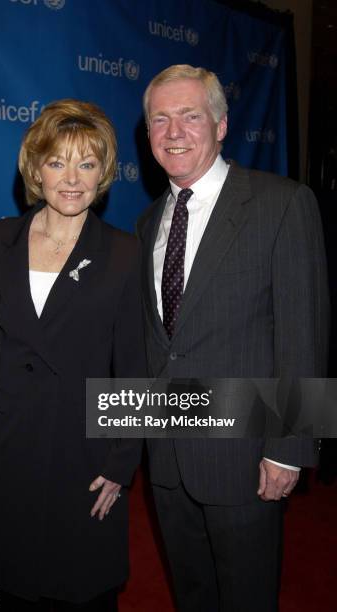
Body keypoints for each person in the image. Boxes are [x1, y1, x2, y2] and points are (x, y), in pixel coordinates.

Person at [137, 65, 329, 612]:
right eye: (160, 119)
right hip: (169, 455)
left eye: (190, 116)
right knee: (191, 594)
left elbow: (304, 331)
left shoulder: (281, 203)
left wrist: (289, 451)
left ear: (221, 125)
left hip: (245, 457)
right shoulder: (147, 223)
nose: (174, 131)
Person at [0, 99, 145, 611]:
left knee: (83, 589)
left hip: (83, 453)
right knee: (10, 585)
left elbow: (133, 367)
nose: (72, 178)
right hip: (7, 446)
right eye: (58, 161)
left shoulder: (125, 254)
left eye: (87, 163)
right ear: (35, 168)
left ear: (103, 172)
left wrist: (121, 462)